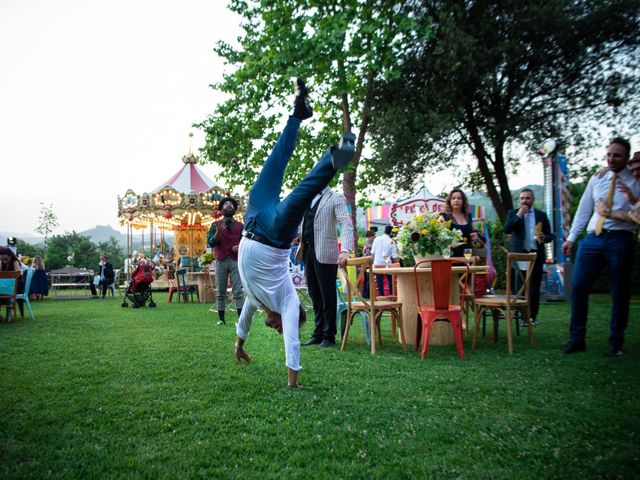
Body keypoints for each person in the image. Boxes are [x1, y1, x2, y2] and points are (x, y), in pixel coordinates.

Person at [234, 78, 356, 388]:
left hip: (252, 220)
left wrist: (239, 346)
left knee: (285, 181)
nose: (274, 328)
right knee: (293, 184)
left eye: (273, 329)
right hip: (274, 236)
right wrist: (293, 381)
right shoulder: (287, 300)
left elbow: (244, 321)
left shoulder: (256, 299)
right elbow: (292, 338)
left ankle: (310, 130)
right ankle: (302, 119)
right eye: (277, 328)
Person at [561, 138, 640, 356]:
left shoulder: (636, 179)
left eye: (617, 155)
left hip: (620, 238)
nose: (612, 159)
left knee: (619, 291)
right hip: (592, 239)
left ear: (626, 157)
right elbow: (584, 209)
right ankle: (577, 339)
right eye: (609, 155)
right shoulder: (598, 177)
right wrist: (571, 237)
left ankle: (616, 342)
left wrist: (631, 200)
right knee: (578, 285)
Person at [298, 186, 355, 349]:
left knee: (327, 295)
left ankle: (329, 336)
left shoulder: (335, 197)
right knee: (314, 294)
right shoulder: (308, 196)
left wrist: (345, 250)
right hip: (307, 250)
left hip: (326, 251)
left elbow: (345, 223)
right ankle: (317, 334)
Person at [503, 188, 554, 326]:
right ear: (519, 200)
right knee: (519, 285)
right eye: (522, 198)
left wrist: (545, 237)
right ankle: (521, 315)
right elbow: (506, 229)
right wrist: (519, 215)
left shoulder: (541, 215)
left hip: (535, 254)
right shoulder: (513, 213)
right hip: (518, 254)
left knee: (534, 286)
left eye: (528, 198)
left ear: (533, 199)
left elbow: (550, 235)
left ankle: (531, 316)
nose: (525, 201)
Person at [207, 196, 244, 325]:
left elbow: (246, 242)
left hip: (235, 260)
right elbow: (210, 243)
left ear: (234, 209)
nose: (229, 205)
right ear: (221, 209)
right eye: (226, 204)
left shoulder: (240, 226)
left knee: (238, 290)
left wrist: (239, 247)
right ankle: (221, 320)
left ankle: (240, 319)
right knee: (221, 291)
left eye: (231, 204)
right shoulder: (215, 225)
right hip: (221, 260)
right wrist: (217, 234)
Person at [440, 188, 484, 257]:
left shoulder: (468, 216)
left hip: (468, 255)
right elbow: (439, 239)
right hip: (451, 257)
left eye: (459, 198)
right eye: (453, 198)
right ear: (449, 201)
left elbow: (472, 233)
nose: (456, 200)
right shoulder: (444, 217)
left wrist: (475, 237)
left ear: (463, 201)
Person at [370, 225, 396, 296]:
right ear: (391, 233)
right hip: (387, 263)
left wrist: (372, 263)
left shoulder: (376, 239)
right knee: (390, 280)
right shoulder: (391, 241)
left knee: (379, 281)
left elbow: (372, 253)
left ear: (384, 231)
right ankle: (391, 296)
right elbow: (394, 256)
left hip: (377, 263)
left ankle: (381, 296)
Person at [0, 246, 23, 320]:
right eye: (2, 260)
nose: (4, 261)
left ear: (10, 255)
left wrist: (6, 276)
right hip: (6, 287)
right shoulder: (2, 263)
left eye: (5, 259)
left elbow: (18, 273)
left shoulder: (15, 261)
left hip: (15, 287)